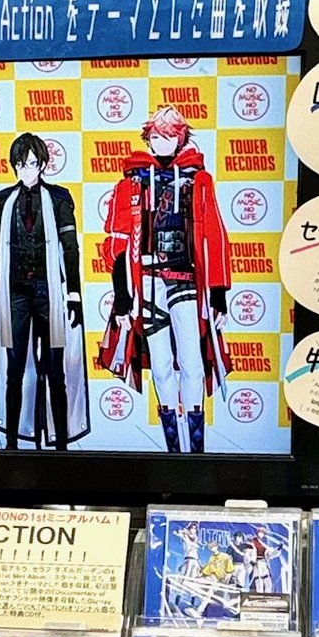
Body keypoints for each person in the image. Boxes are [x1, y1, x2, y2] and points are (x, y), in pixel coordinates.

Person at [98, 105, 232, 452]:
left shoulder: (199, 180)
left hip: (186, 279)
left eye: (168, 136)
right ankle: (174, 450)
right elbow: (117, 242)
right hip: (147, 282)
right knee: (160, 368)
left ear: (180, 138)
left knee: (192, 363)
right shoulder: (130, 184)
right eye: (155, 136)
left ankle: (195, 449)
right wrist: (123, 298)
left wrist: (218, 294)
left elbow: (215, 234)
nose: (161, 142)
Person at [0, 132, 88, 449]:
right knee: (14, 371)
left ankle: (61, 445)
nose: (25, 170)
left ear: (42, 164)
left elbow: (71, 248)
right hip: (14, 293)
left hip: (49, 293)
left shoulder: (58, 198)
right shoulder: (3, 200)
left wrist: (74, 294)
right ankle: (11, 444)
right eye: (19, 164)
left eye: (30, 163)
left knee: (55, 371)